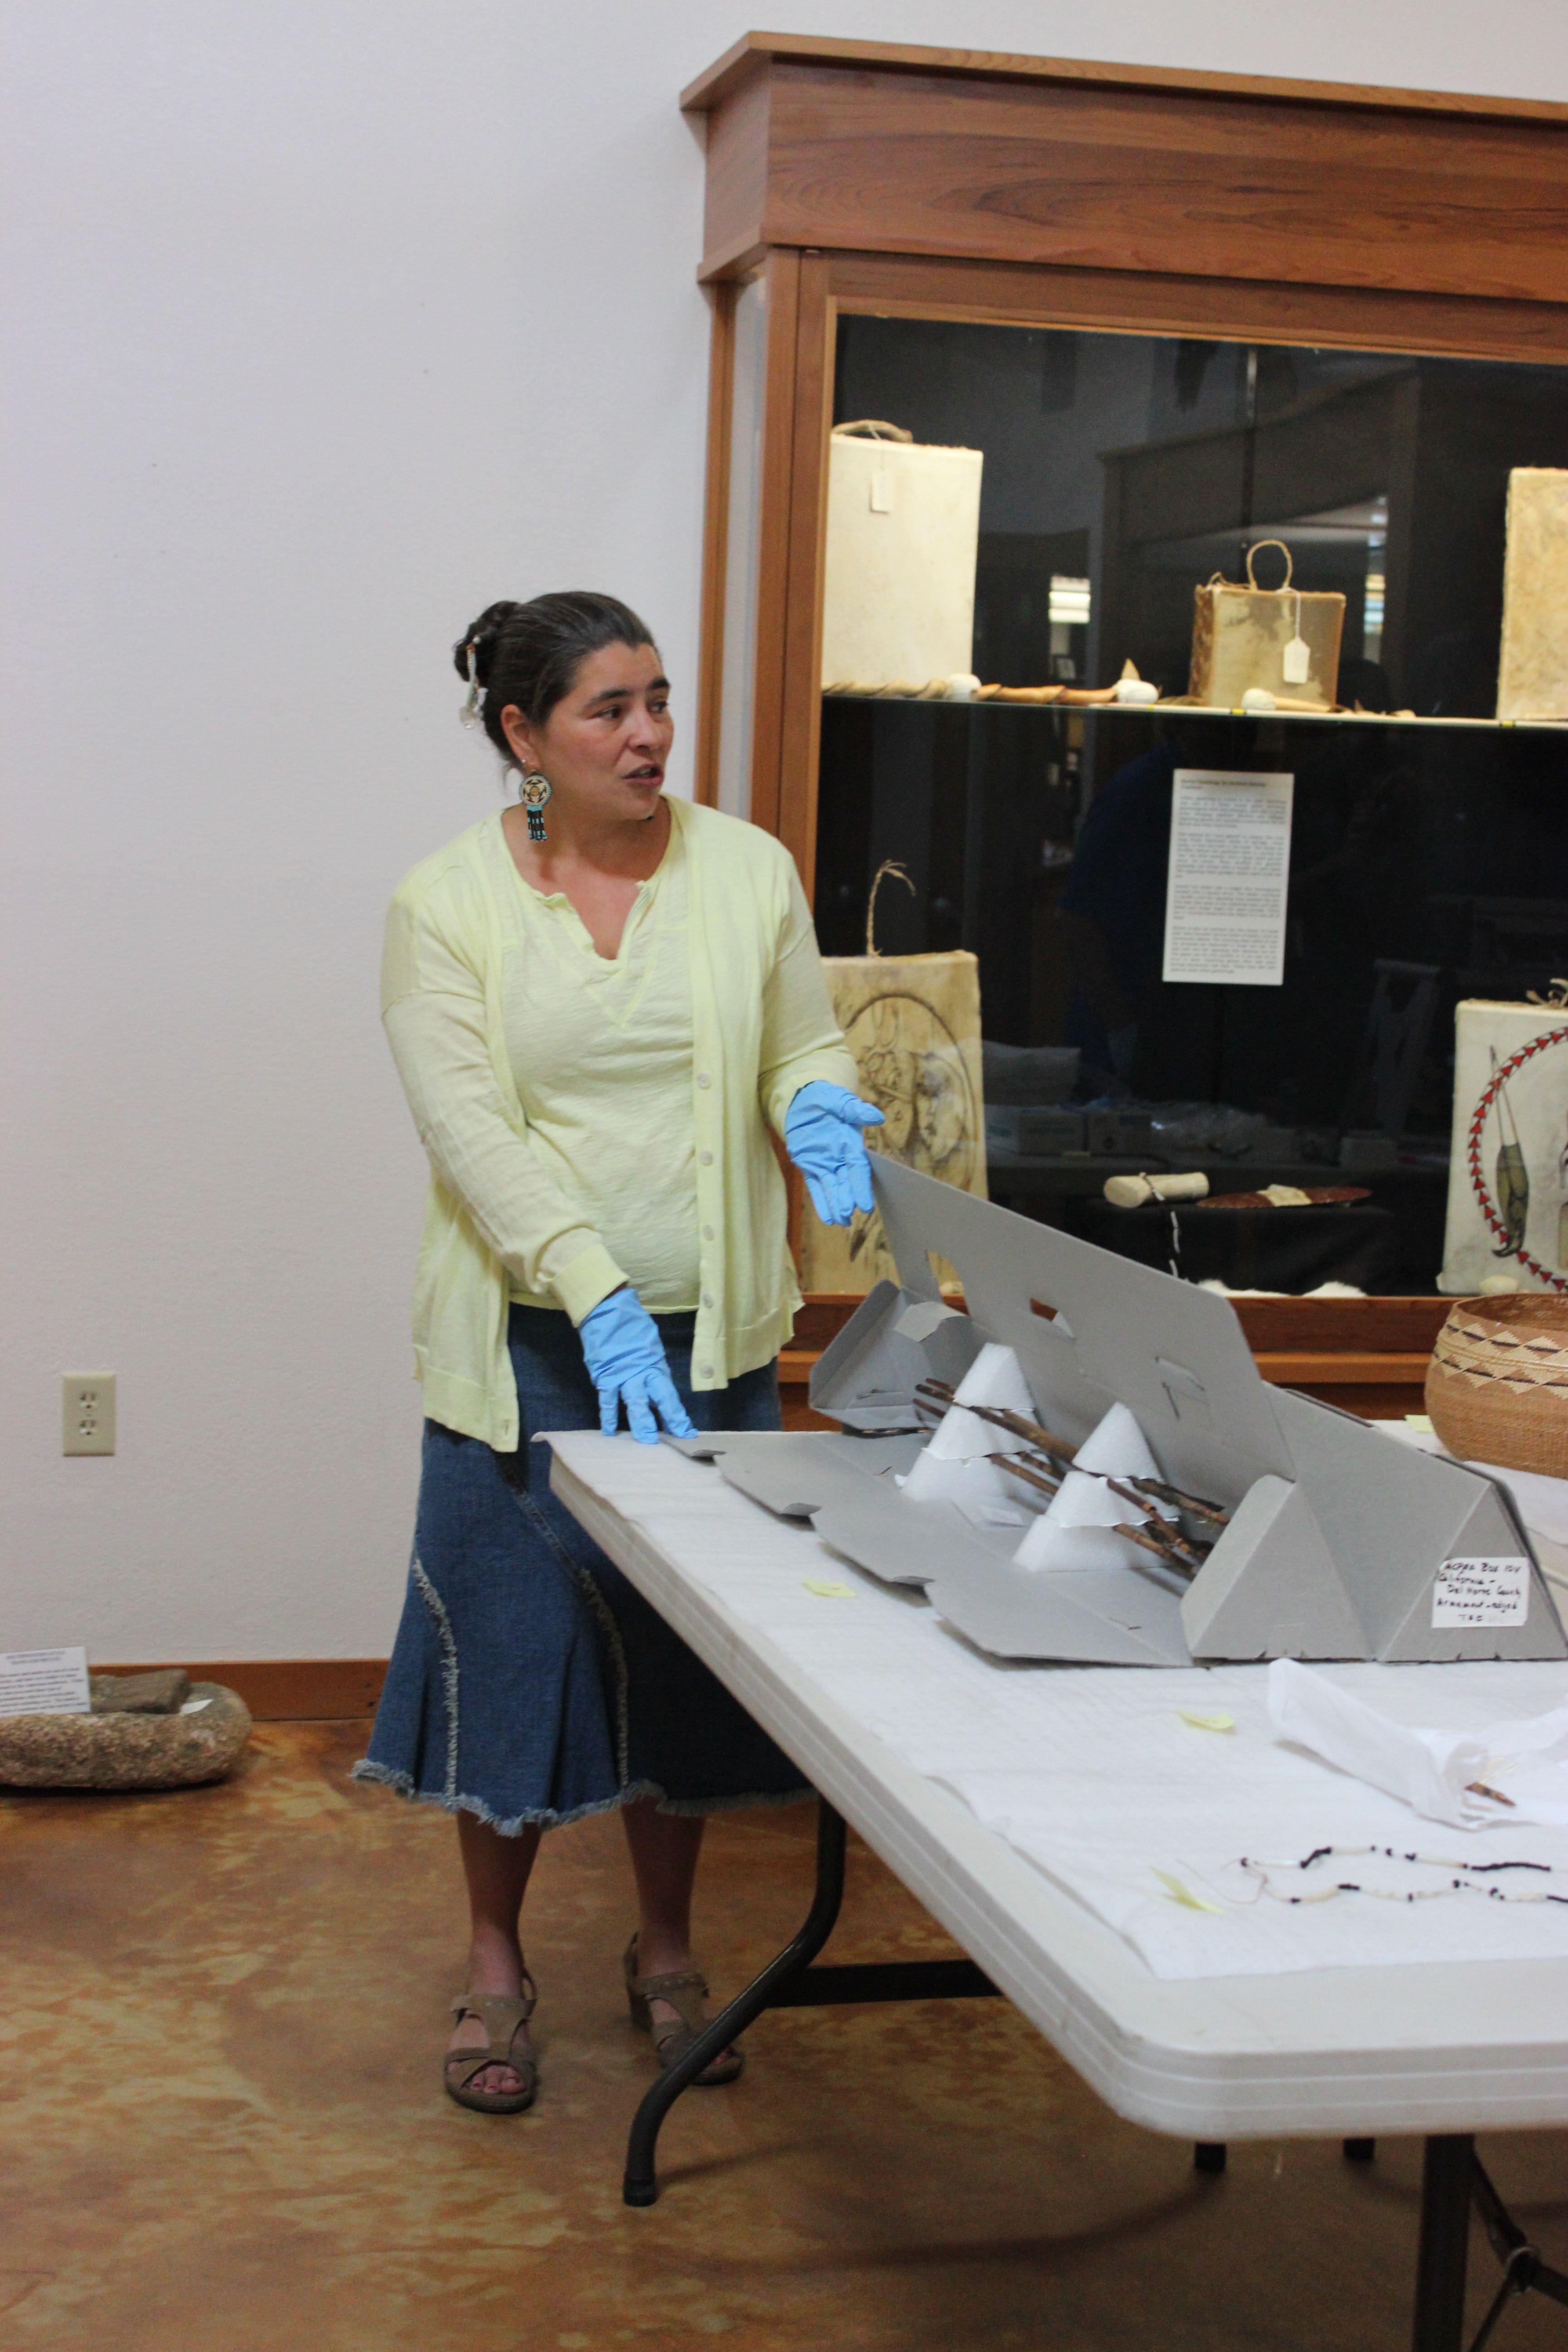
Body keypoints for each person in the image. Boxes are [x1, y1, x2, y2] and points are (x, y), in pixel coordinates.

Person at [356, 592, 882, 2114]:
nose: (650, 732)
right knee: (509, 1653)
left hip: (705, 1343)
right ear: (523, 737)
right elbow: (472, 1131)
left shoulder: (748, 871)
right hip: (527, 1344)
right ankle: (497, 1969)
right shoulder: (442, 907)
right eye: (610, 709)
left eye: (659, 699)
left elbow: (797, 1043)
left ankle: (665, 1956)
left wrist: (822, 1110)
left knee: (681, 1667)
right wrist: (586, 1286)